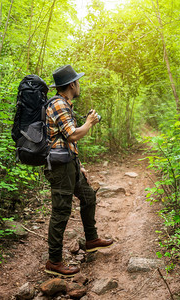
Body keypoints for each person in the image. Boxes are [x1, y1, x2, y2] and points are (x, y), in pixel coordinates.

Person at [43, 65, 113, 277]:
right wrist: (89, 122)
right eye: (78, 82)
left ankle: (91, 240)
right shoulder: (58, 104)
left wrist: (78, 164)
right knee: (61, 211)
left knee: (88, 196)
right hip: (59, 167)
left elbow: (66, 140)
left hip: (69, 162)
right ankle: (54, 262)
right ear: (71, 84)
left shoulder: (65, 104)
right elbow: (72, 135)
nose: (79, 85)